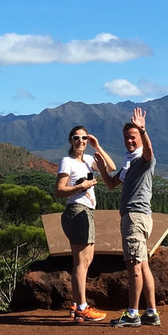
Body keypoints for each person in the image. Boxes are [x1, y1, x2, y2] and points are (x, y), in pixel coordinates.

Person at [96, 107, 159, 327]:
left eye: (132, 138)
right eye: (126, 138)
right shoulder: (129, 161)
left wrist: (143, 130)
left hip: (135, 216)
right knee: (142, 265)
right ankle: (151, 312)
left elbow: (150, 150)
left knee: (133, 265)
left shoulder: (143, 159)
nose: (128, 142)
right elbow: (112, 184)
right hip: (136, 216)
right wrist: (103, 169)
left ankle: (133, 313)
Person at [55, 124, 113, 322]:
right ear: (70, 141)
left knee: (85, 261)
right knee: (82, 261)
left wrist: (98, 147)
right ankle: (82, 307)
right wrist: (82, 186)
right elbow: (59, 191)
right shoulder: (67, 162)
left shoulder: (89, 159)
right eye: (76, 138)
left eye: (84, 138)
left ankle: (75, 303)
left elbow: (111, 168)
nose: (81, 141)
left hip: (87, 212)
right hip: (77, 211)